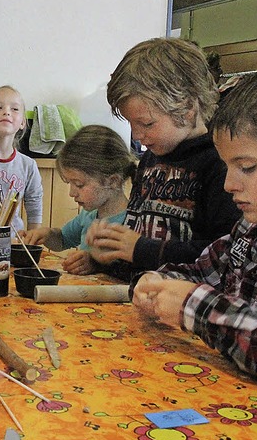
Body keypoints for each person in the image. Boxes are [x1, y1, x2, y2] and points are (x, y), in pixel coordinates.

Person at [132, 60, 257, 400]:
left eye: (246, 167)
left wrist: (199, 309)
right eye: (227, 166)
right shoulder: (252, 228)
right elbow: (202, 272)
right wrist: (161, 283)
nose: (229, 184)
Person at [86, 37, 241, 282]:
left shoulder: (219, 164)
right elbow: (139, 247)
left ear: (187, 108)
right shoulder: (149, 160)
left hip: (184, 305)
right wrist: (108, 256)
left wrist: (139, 249)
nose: (136, 135)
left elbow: (226, 255)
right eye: (130, 123)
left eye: (147, 123)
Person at [22, 125, 136, 275]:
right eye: (70, 183)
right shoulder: (88, 215)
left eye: (79, 185)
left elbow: (131, 271)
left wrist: (95, 264)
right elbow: (62, 239)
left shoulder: (132, 223)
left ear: (112, 181)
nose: (71, 193)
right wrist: (47, 235)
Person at [0, 85, 43, 233]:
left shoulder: (28, 166)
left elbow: (34, 209)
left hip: (12, 243)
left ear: (23, 122)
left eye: (15, 109)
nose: (6, 112)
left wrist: (31, 244)